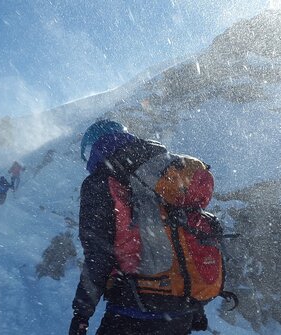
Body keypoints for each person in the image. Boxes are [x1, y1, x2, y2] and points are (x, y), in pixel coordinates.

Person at [69, 119, 205, 335]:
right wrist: (195, 305)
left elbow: (99, 256)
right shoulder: (162, 171)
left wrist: (81, 314)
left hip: (133, 307)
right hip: (180, 311)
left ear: (95, 148)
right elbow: (186, 236)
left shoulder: (101, 182)